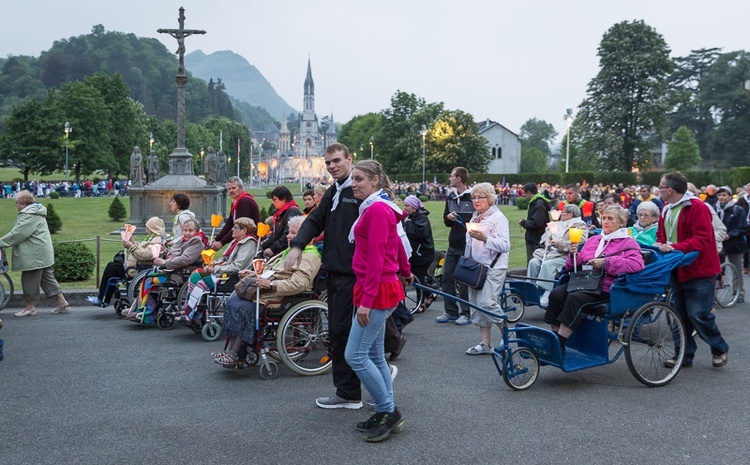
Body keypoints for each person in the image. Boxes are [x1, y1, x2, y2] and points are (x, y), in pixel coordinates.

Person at [283, 143, 365, 410]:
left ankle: (350, 392)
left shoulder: (360, 190)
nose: (331, 166)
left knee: (344, 333)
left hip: (355, 274)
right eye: (328, 162)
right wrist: (297, 247)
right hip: (335, 272)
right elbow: (314, 220)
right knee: (343, 333)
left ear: (349, 159)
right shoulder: (334, 191)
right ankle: (360, 385)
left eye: (337, 161)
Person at [345, 160, 411, 442]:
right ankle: (386, 411)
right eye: (353, 179)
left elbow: (376, 256)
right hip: (377, 287)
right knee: (372, 354)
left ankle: (388, 410)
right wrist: (406, 270)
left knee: (355, 356)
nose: (354, 184)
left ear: (375, 181)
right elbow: (394, 244)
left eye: (359, 179)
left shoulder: (378, 210)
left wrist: (367, 300)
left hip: (377, 291)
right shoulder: (378, 208)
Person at [213, 215, 321, 366]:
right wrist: (252, 274)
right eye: (289, 232)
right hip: (267, 290)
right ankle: (232, 351)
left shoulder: (310, 256)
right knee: (233, 302)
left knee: (243, 307)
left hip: (283, 296)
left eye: (294, 233)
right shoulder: (288, 252)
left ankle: (236, 353)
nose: (289, 236)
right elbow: (270, 270)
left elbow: (300, 283)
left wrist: (272, 285)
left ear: (307, 236)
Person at [655, 172, 729, 368]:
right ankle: (683, 355)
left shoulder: (697, 207)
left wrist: (675, 247)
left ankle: (719, 347)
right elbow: (662, 233)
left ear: (669, 190)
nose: (658, 190)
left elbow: (703, 238)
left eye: (660, 187)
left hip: (699, 270)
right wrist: (660, 242)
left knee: (698, 314)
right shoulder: (666, 208)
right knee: (678, 316)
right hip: (676, 267)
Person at [544, 205, 644, 347]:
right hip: (584, 281)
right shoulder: (594, 240)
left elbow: (636, 264)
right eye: (604, 218)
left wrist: (606, 263)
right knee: (556, 294)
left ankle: (560, 343)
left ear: (622, 222)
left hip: (606, 287)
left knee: (575, 298)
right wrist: (573, 255)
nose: (605, 221)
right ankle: (554, 336)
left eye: (610, 219)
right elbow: (571, 266)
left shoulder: (628, 243)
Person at [0, 191, 70, 317]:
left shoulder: (29, 215)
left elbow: (18, 234)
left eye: (18, 204)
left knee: (29, 279)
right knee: (47, 278)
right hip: (40, 252)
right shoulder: (34, 212)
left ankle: (30, 307)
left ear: (24, 204)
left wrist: (1, 242)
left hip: (34, 254)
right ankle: (62, 302)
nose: (16, 206)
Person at [179, 217, 258, 325]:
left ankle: (190, 313)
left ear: (244, 230)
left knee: (202, 283)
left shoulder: (249, 243)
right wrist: (212, 264)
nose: (232, 230)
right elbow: (224, 258)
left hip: (232, 277)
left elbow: (237, 266)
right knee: (195, 275)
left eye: (235, 228)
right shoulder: (236, 241)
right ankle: (190, 309)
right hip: (223, 271)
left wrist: (215, 269)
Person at [462, 183, 511, 355]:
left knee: (487, 303)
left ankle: (507, 332)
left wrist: (485, 238)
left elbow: (505, 245)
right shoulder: (476, 217)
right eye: (473, 197)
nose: (476, 201)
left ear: (489, 199)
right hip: (476, 267)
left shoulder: (498, 218)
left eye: (480, 197)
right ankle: (485, 343)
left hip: (493, 267)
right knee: (477, 305)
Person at [126, 218, 205, 324]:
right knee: (149, 277)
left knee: (152, 279)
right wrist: (165, 252)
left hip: (183, 272)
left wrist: (164, 262)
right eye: (185, 230)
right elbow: (174, 254)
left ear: (196, 231)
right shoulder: (184, 240)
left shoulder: (196, 241)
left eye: (190, 230)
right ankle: (140, 309)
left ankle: (146, 313)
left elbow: (185, 259)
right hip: (174, 269)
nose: (186, 233)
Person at [86, 217, 167, 307]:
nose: (145, 230)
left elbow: (146, 255)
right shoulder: (153, 238)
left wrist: (131, 246)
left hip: (137, 268)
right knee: (112, 266)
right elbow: (141, 249)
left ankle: (103, 298)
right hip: (136, 265)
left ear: (153, 229)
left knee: (112, 268)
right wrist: (131, 241)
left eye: (147, 228)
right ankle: (103, 298)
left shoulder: (156, 241)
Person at [527, 204, 589, 306]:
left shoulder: (579, 225)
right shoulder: (557, 224)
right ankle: (532, 288)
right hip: (550, 252)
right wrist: (546, 242)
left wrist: (560, 244)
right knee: (533, 262)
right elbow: (544, 237)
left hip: (564, 255)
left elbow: (580, 241)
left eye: (563, 213)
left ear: (570, 214)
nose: (560, 214)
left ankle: (547, 291)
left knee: (548, 264)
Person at [435, 167, 474, 325]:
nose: (450, 179)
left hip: (467, 244)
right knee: (446, 277)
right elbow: (446, 221)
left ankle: (466, 312)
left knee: (464, 280)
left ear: (459, 178)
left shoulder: (472, 197)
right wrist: (448, 217)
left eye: (452, 176)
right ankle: (450, 311)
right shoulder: (451, 197)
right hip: (453, 244)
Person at [402, 195, 436, 313]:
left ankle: (422, 300)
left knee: (418, 278)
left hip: (423, 254)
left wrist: (407, 224)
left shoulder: (421, 218)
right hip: (416, 253)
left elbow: (419, 233)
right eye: (404, 205)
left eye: (407, 206)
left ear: (414, 207)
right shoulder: (411, 217)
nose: (405, 208)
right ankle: (428, 295)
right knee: (417, 278)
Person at [715, 185, 747, 303]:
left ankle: (739, 292)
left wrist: (730, 235)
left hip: (735, 243)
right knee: (717, 269)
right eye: (719, 195)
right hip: (719, 242)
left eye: (724, 195)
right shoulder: (715, 209)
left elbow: (742, 227)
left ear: (729, 196)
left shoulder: (737, 209)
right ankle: (715, 293)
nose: (721, 197)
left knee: (737, 270)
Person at [211, 176, 260, 251]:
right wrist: (216, 239)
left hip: (249, 241)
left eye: (234, 188)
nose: (231, 191)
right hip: (242, 238)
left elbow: (239, 226)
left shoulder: (245, 202)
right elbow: (229, 224)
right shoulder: (236, 202)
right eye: (229, 189)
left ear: (241, 188)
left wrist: (221, 243)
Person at [261, 186, 302, 258]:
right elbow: (274, 234)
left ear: (283, 199)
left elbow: (287, 235)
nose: (272, 202)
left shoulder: (292, 211)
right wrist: (262, 245)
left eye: (274, 199)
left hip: (286, 252)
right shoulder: (281, 213)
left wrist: (273, 249)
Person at [518, 183, 550, 263]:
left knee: (533, 262)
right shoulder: (536, 202)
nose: (523, 195)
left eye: (524, 193)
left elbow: (537, 223)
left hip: (536, 240)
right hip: (534, 238)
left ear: (529, 192)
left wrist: (523, 222)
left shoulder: (539, 204)